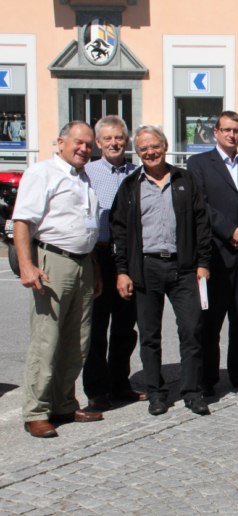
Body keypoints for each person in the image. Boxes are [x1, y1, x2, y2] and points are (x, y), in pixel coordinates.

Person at [110, 125, 213, 417]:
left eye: (154, 146)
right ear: (138, 153)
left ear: (165, 146)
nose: (150, 153)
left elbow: (201, 224)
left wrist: (203, 263)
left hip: (183, 268)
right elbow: (119, 231)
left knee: (192, 329)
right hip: (146, 268)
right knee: (149, 334)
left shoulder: (186, 180)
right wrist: (122, 271)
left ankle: (193, 391)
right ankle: (156, 393)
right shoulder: (130, 186)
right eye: (143, 149)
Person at [13, 121, 103, 438]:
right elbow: (22, 221)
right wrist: (27, 265)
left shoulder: (83, 178)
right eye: (78, 142)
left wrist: (94, 269)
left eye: (89, 145)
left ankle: (64, 403)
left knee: (77, 341)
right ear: (61, 141)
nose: (84, 149)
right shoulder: (43, 173)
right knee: (47, 339)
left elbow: (86, 227)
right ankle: (36, 411)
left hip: (82, 264)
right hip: (53, 262)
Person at [187, 111, 238, 396]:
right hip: (216, 255)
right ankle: (208, 378)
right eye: (227, 130)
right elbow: (201, 205)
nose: (232, 135)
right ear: (216, 132)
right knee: (211, 322)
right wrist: (230, 231)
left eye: (237, 131)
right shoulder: (197, 164)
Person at [82, 115, 143, 411]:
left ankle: (120, 382)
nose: (114, 143)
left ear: (127, 140)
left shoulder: (138, 173)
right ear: (98, 143)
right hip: (98, 256)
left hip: (129, 258)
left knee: (124, 325)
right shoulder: (87, 173)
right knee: (95, 327)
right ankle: (96, 388)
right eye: (107, 138)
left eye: (119, 137)